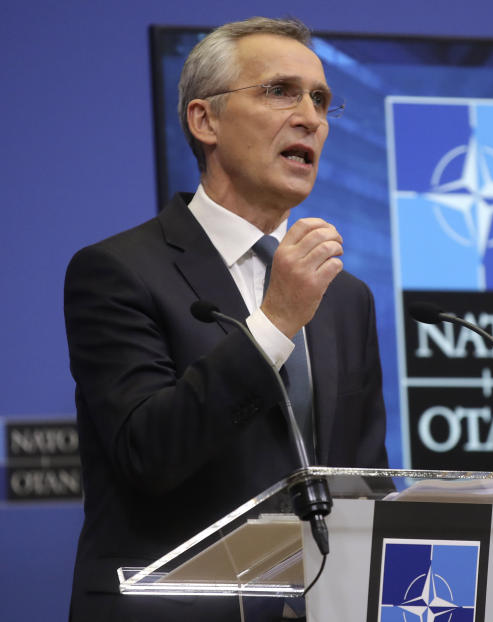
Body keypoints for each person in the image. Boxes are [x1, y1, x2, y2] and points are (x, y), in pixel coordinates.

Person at [63, 17, 388, 621]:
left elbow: (361, 480)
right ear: (204, 120)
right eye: (279, 91)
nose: (311, 117)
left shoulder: (345, 298)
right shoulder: (117, 271)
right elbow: (149, 453)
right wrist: (274, 321)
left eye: (319, 99)